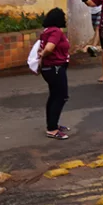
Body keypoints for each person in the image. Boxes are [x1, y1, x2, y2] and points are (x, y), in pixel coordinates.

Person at [37, 8, 71, 140]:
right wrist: (43, 53)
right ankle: (52, 129)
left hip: (49, 68)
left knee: (54, 96)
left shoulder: (47, 31)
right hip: (55, 68)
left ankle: (52, 124)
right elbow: (49, 48)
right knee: (61, 96)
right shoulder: (56, 31)